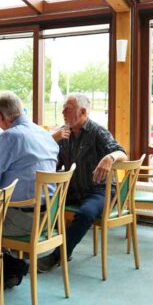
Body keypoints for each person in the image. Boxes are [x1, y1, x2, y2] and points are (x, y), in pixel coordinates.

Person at [0, 91, 59, 294]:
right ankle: (11, 266)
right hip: (48, 218)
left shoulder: (10, 137)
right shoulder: (43, 133)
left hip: (23, 220)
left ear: (1, 116)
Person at [37, 94, 127, 272]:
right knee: (42, 202)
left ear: (83, 112)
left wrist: (110, 157)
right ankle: (34, 247)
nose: (63, 112)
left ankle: (60, 254)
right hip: (73, 189)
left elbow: (122, 153)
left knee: (86, 213)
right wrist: (51, 140)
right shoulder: (64, 132)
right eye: (63, 108)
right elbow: (51, 163)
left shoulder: (97, 132)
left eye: (67, 109)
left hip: (98, 190)